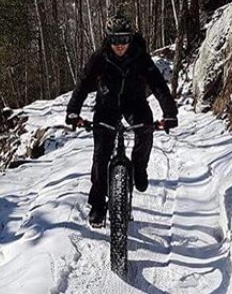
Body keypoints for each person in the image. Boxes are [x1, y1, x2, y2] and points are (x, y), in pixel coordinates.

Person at [65, 13, 178, 228]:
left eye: (124, 39)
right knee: (100, 155)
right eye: (115, 40)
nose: (119, 45)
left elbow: (158, 86)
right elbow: (83, 83)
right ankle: (98, 205)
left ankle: (139, 167)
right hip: (106, 105)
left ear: (131, 38)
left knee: (146, 129)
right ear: (108, 39)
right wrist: (73, 111)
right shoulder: (100, 58)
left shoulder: (140, 57)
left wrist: (170, 113)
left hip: (135, 102)